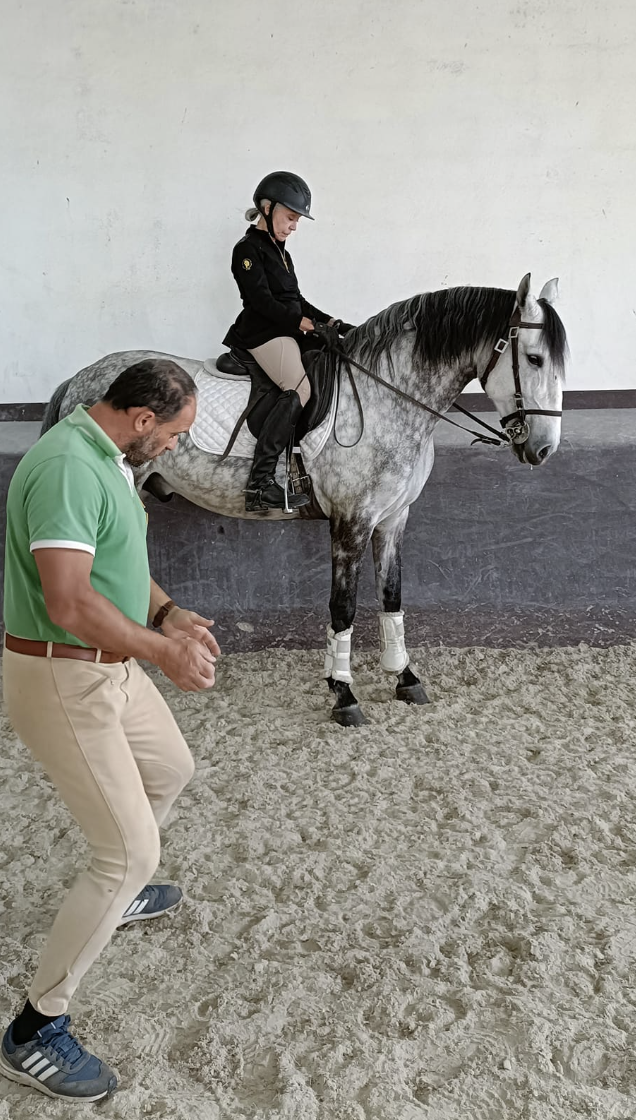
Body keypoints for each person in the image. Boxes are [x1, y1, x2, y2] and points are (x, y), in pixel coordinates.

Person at [0, 358, 220, 1103]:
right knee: (129, 850)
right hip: (64, 673)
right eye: (176, 437)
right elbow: (66, 600)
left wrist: (164, 615)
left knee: (171, 769)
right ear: (142, 420)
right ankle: (33, 1029)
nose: (175, 450)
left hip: (112, 663)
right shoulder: (68, 467)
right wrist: (161, 652)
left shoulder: (108, 457)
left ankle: (117, 893)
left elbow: (112, 562)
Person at [223, 171, 354, 512]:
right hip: (261, 333)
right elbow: (262, 303)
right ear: (267, 208)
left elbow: (296, 300)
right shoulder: (247, 250)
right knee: (298, 388)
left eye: (296, 220)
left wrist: (333, 324)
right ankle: (260, 483)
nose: (294, 226)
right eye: (290, 217)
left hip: (285, 329)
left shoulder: (281, 251)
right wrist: (302, 323)